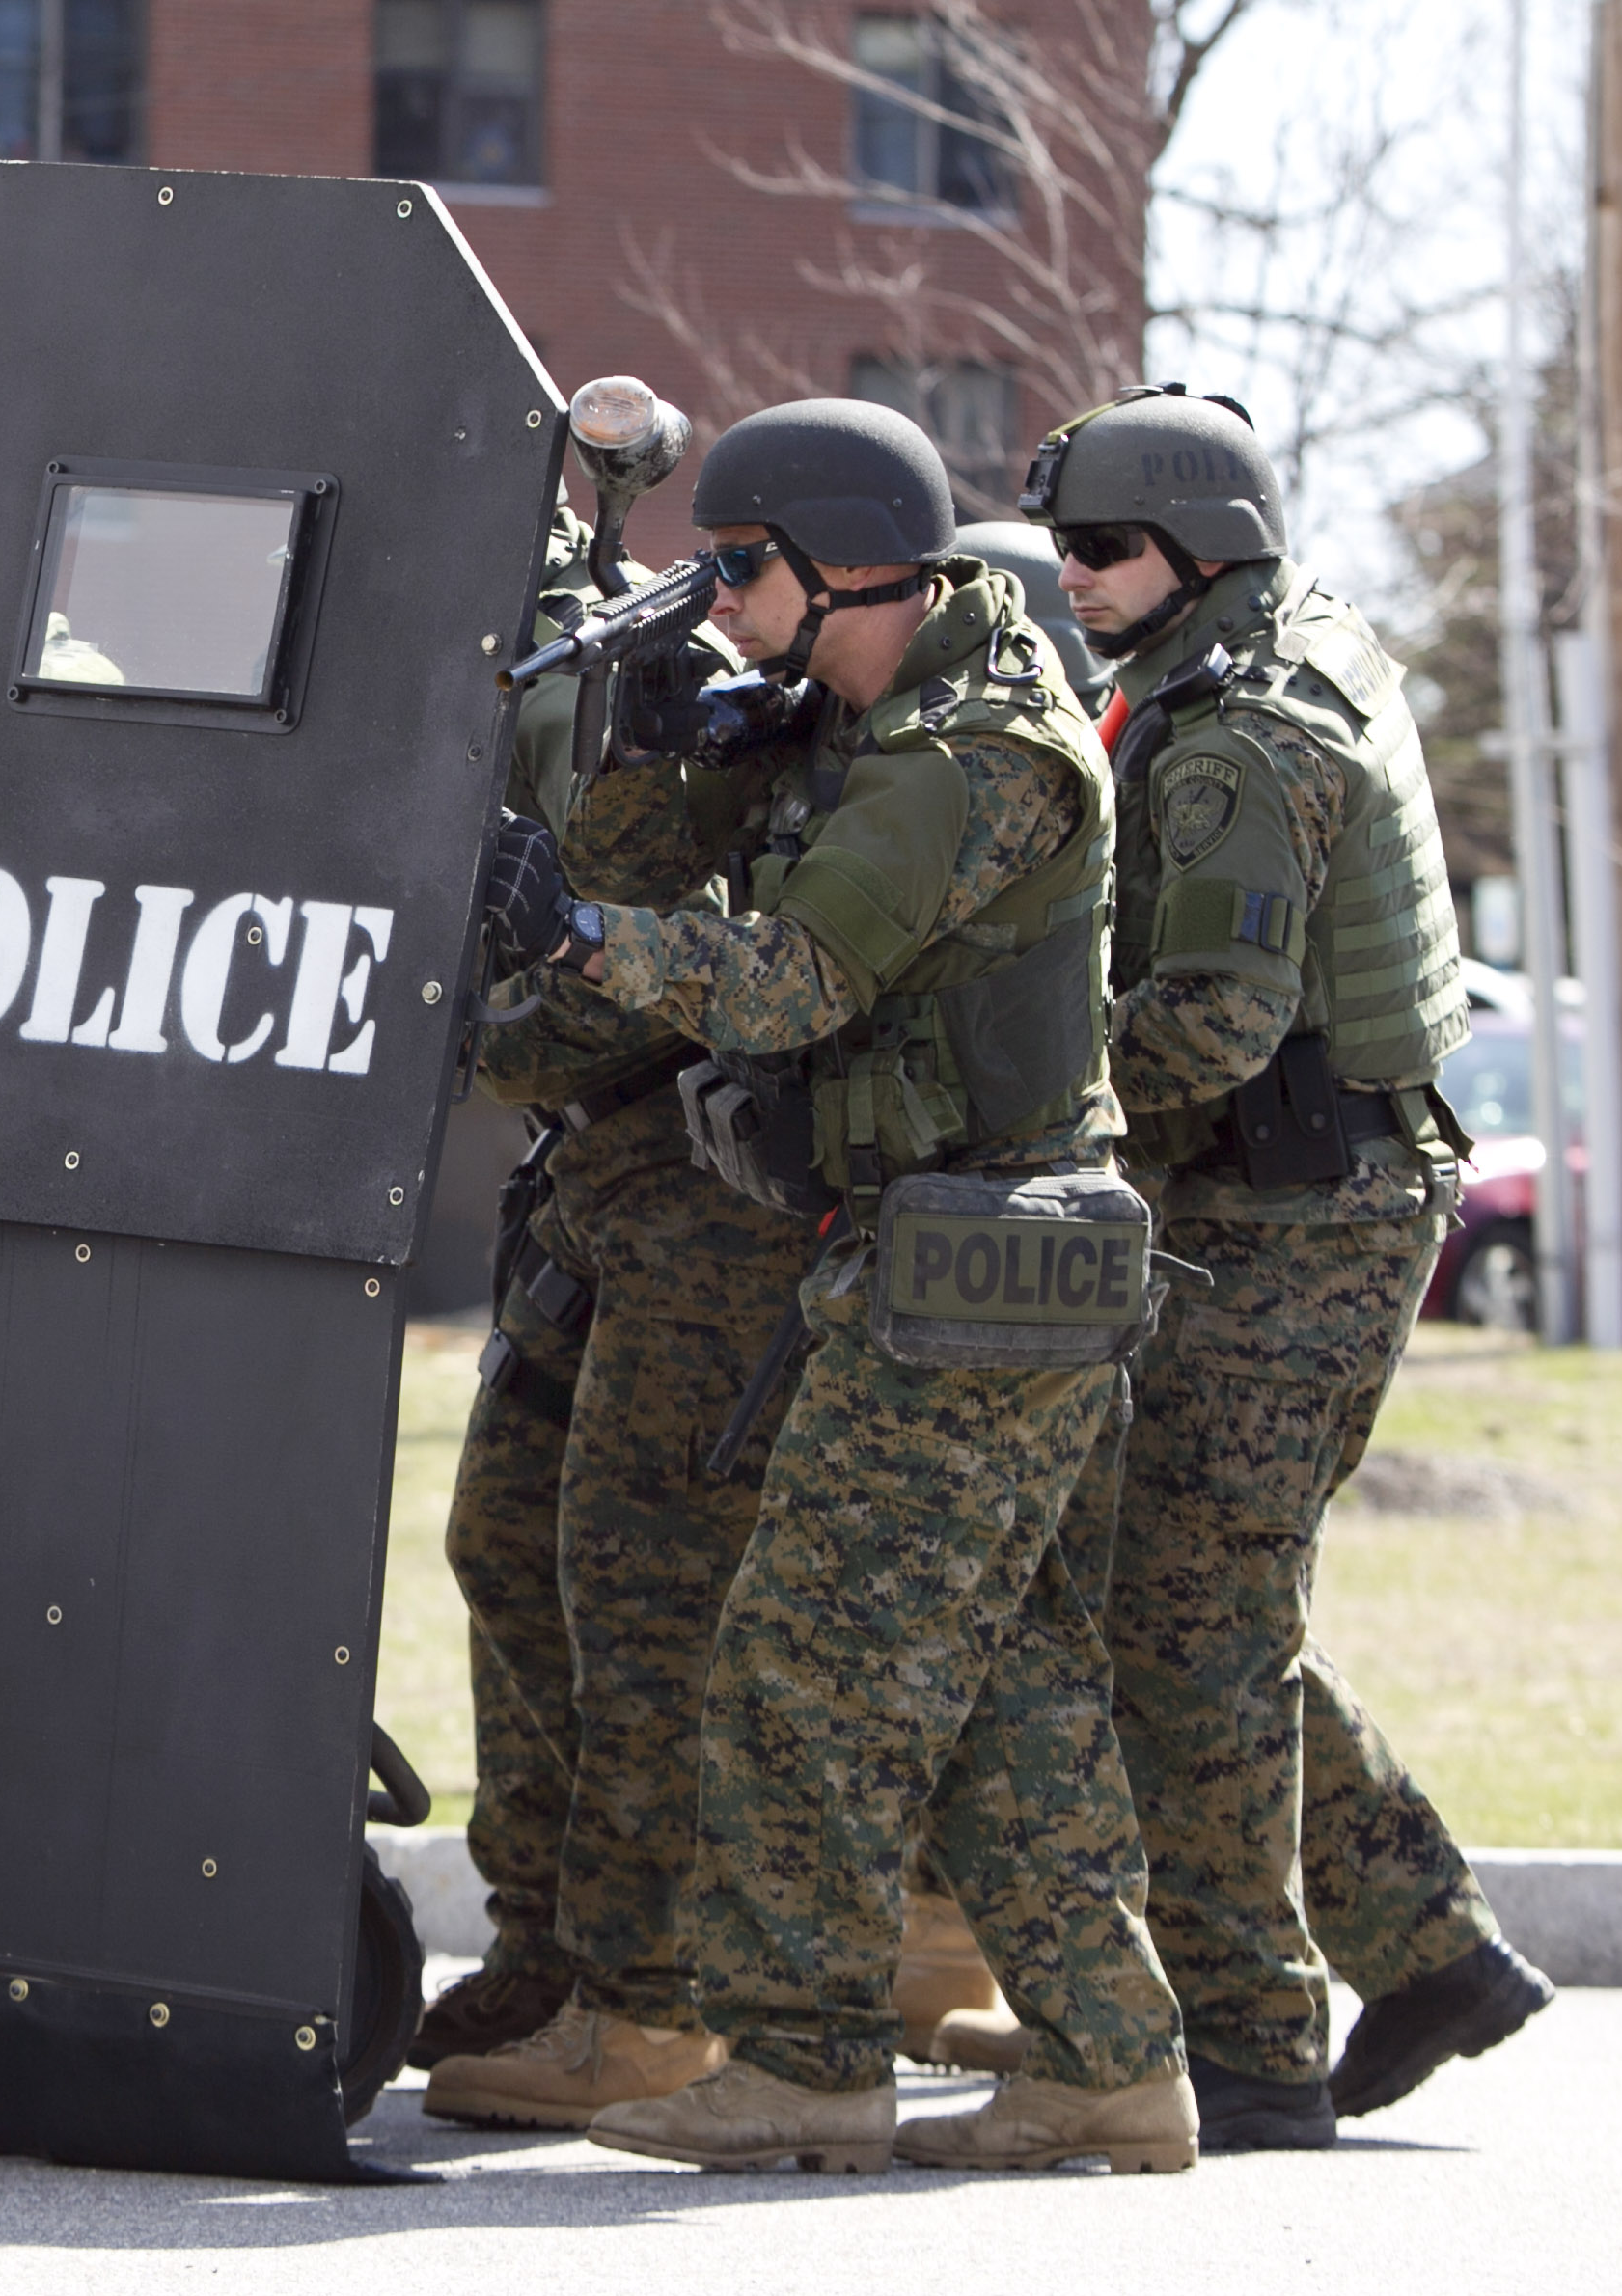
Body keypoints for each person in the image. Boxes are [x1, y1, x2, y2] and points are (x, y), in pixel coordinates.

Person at [509, 397, 1195, 2173]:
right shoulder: (876, 712)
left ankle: (808, 2063)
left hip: (976, 1259)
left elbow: (799, 979)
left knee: (805, 1665)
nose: (720, 599)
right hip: (964, 1259)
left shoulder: (974, 754)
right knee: (1004, 1691)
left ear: (844, 562)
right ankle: (1114, 2066)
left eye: (740, 568)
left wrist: (577, 933)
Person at [1022, 384, 1555, 2149]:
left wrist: (1013, 1093)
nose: (1072, 575)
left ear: (1204, 552)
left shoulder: (1244, 735)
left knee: (1194, 1622)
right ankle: (1432, 1949)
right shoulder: (1257, 648)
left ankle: (1255, 2042)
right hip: (1283, 1206)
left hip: (1293, 1219)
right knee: (1200, 1603)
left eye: (1101, 549)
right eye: (1069, 545)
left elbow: (1215, 1025)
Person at [416, 504, 820, 2132]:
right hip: (593, 1202)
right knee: (506, 1542)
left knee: (643, 1599)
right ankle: (551, 1946)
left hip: (701, 1217)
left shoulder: (674, 713)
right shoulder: (543, 703)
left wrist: (472, 1020)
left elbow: (597, 1013)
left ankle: (650, 2004)